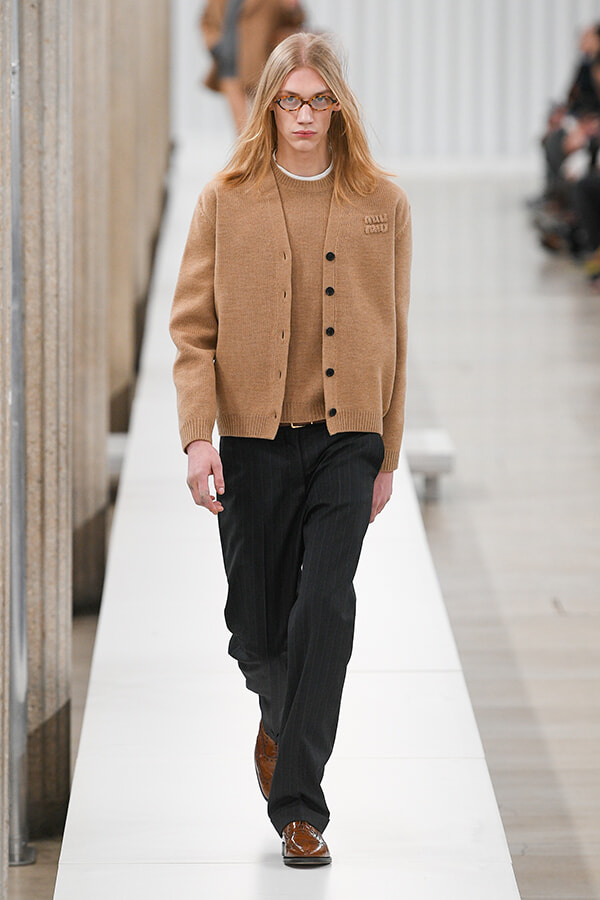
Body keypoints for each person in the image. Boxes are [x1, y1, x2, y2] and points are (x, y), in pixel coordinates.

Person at [170, 31, 412, 867]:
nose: (304, 115)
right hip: (253, 437)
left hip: (348, 438)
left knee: (326, 608)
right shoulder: (226, 198)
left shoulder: (381, 202)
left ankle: (301, 808)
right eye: (290, 100)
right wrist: (197, 437)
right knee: (254, 629)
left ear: (337, 105)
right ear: (269, 105)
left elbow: (397, 333)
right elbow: (192, 329)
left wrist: (387, 454)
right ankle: (280, 718)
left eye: (318, 100)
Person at [200, 0, 305, 132]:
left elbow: (295, 20)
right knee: (243, 130)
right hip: (228, 66)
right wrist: (215, 45)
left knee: (266, 126)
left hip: (260, 66)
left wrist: (292, 8)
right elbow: (208, 20)